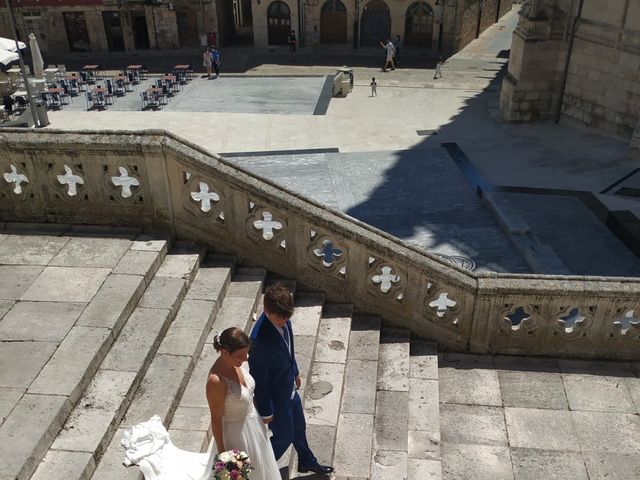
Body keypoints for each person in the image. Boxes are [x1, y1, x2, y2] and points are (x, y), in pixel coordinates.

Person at [119, 327, 281, 480]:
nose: (245, 359)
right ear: (225, 352)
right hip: (236, 436)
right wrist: (224, 455)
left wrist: (259, 415)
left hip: (254, 426)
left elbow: (248, 393)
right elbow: (216, 419)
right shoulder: (216, 381)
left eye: (246, 354)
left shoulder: (236, 362)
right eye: (240, 356)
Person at [249, 284, 334, 475]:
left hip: (288, 386)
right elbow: (259, 380)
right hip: (276, 398)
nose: (285, 321)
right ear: (267, 311)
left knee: (299, 428)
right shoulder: (259, 340)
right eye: (280, 318)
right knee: (283, 438)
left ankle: (307, 461)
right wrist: (266, 411)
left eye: (288, 317)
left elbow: (289, 349)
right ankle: (254, 470)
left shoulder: (284, 319)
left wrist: (294, 372)